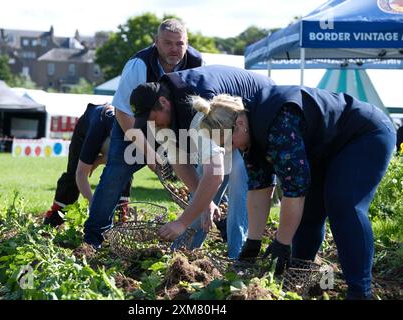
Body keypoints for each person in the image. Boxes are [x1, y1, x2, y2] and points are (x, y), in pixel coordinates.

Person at [159, 86, 396, 300]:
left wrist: (282, 243)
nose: (228, 148)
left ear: (238, 125)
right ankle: (301, 277)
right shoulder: (249, 136)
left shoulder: (278, 124)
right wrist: (253, 242)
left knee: (343, 205)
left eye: (227, 142)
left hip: (364, 134)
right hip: (326, 147)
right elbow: (260, 188)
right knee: (309, 213)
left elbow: (294, 190)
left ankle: (360, 291)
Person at [126, 64, 274, 258]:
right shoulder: (159, 118)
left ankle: (238, 258)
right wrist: (205, 202)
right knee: (202, 196)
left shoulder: (198, 111)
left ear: (164, 102)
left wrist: (181, 222)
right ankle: (182, 254)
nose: (151, 124)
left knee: (239, 175)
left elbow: (215, 175)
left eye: (152, 118)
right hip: (225, 125)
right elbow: (178, 160)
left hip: (257, 107)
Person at [83, 18, 203, 247]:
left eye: (180, 44)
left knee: (199, 170)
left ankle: (208, 224)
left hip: (172, 123)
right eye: (168, 43)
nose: (174, 49)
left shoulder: (197, 62)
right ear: (156, 42)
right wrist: (148, 153)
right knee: (117, 172)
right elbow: (122, 112)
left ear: (187, 43)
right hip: (133, 123)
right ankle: (94, 238)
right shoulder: (138, 65)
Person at [43, 103, 131, 227]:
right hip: (87, 126)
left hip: (111, 138)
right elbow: (80, 174)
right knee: (73, 174)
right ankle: (55, 217)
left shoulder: (128, 129)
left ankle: (120, 214)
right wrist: (93, 203)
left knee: (124, 168)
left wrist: (98, 161)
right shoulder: (95, 134)